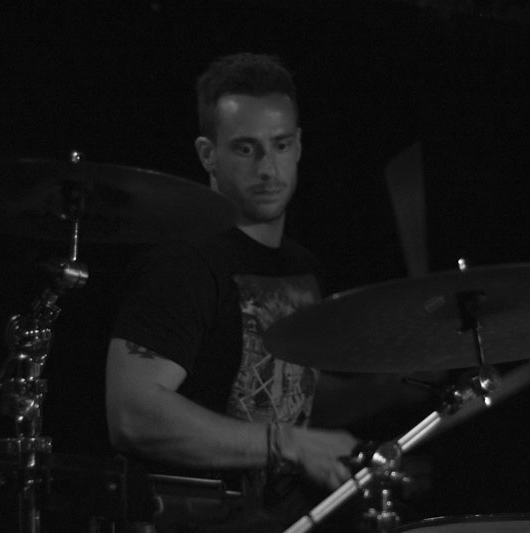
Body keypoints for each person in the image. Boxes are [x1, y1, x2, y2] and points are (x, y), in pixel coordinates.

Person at [105, 53, 360, 530]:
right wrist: (286, 443)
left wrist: (389, 389)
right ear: (207, 154)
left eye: (280, 145)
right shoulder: (183, 263)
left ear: (299, 145)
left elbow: (291, 394)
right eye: (246, 149)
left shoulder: (302, 267)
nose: (268, 167)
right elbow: (133, 414)